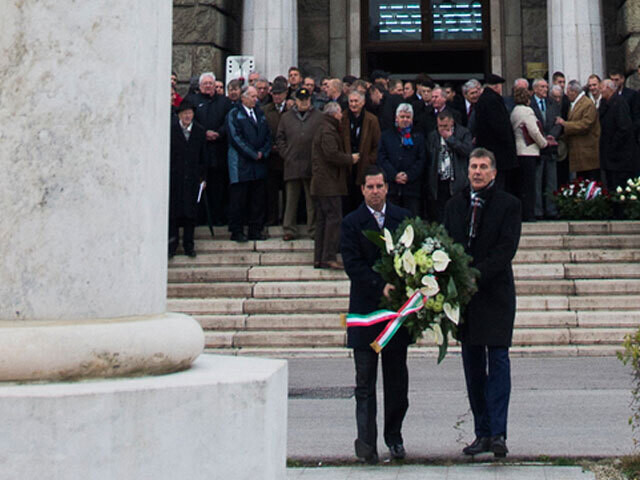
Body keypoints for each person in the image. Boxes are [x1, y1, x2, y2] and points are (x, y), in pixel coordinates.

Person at [443, 147, 522, 459]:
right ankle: (482, 432)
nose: (476, 172)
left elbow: (506, 249)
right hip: (466, 299)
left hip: (495, 293)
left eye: (482, 167)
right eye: (473, 166)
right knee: (473, 366)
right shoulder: (454, 205)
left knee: (498, 362)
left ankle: (499, 432)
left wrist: (474, 275)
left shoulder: (509, 205)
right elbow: (447, 243)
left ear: (493, 172)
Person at [340, 165, 413, 464]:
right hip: (366, 314)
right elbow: (352, 264)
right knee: (364, 384)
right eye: (369, 187)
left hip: (394, 316)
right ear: (362, 190)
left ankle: (394, 437)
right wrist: (378, 285)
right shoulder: (351, 222)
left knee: (397, 383)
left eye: (379, 186)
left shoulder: (402, 218)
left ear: (387, 187)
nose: (375, 191)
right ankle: (366, 443)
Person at [311, 102, 358, 269]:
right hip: (328, 183)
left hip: (323, 183)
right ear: (333, 114)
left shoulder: (324, 127)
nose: (342, 116)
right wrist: (349, 159)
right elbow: (331, 154)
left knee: (323, 220)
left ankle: (320, 258)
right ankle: (329, 257)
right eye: (339, 113)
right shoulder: (328, 130)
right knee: (333, 218)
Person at [184, 72, 233, 227]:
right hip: (199, 152)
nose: (208, 86)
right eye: (205, 83)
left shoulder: (224, 102)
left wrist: (219, 133)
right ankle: (199, 219)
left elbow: (229, 122)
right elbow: (188, 120)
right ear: (199, 86)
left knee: (218, 188)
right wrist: (203, 133)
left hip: (219, 151)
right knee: (199, 186)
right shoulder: (192, 101)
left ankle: (218, 217)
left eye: (210, 83)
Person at [277, 87, 324, 241]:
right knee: (291, 199)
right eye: (300, 99)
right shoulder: (286, 117)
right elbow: (280, 138)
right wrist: (286, 154)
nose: (303, 102)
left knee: (312, 200)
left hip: (312, 164)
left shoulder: (319, 117)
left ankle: (313, 229)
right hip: (292, 163)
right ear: (296, 100)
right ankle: (289, 229)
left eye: (306, 99)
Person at [226, 86, 272, 242]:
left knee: (257, 199)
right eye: (252, 96)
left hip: (258, 165)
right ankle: (237, 230)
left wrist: (263, 152)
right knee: (239, 199)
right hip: (241, 164)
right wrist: (252, 153)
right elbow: (235, 138)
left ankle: (255, 229)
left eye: (256, 96)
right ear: (243, 97)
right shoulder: (234, 114)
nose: (255, 99)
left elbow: (267, 135)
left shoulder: (260, 114)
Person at [168, 101, 207, 258]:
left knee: (191, 214)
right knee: (173, 213)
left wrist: (203, 178)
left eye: (189, 113)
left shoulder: (199, 131)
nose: (187, 116)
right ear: (179, 115)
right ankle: (172, 245)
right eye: (184, 113)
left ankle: (189, 245)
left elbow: (203, 157)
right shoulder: (172, 129)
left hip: (192, 178)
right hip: (175, 178)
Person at [377, 103, 426, 216]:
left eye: (408, 117)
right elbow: (382, 158)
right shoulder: (386, 136)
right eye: (402, 117)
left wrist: (408, 175)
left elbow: (421, 160)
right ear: (396, 118)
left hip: (412, 188)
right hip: (392, 187)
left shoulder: (418, 137)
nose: (405, 120)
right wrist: (394, 175)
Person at [424, 110, 473, 222]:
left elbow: (467, 151)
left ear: (452, 122)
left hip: (457, 181)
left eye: (445, 126)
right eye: (440, 126)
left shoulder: (463, 133)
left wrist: (451, 139)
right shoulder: (433, 136)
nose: (442, 129)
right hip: (439, 181)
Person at [510, 87, 549, 222]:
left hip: (518, 150)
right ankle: (529, 214)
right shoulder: (527, 111)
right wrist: (544, 143)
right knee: (530, 186)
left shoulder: (514, 111)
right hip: (528, 151)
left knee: (521, 185)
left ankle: (523, 213)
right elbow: (534, 131)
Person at [474, 74, 518, 192]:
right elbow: (501, 127)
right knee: (498, 184)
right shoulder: (494, 101)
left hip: (487, 149)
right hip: (498, 152)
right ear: (496, 87)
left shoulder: (482, 100)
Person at [341, 89, 382, 214]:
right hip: (346, 166)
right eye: (351, 101)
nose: (353, 104)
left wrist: (369, 160)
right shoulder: (343, 118)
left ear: (363, 102)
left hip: (364, 165)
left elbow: (377, 144)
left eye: (356, 101)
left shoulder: (372, 120)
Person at [599, 79, 640, 191]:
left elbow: (624, 128)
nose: (599, 90)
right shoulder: (604, 103)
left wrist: (612, 146)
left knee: (618, 187)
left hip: (619, 157)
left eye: (601, 87)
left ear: (609, 89)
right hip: (609, 158)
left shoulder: (619, 103)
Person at [530, 78, 562, 219]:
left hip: (551, 148)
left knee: (551, 180)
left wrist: (551, 136)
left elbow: (558, 123)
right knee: (536, 181)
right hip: (536, 147)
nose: (545, 89)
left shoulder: (552, 103)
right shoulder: (529, 104)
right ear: (535, 89)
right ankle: (538, 211)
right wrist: (542, 138)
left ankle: (551, 209)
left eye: (546, 87)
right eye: (542, 87)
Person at [555, 80, 601, 179]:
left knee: (590, 180)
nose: (566, 95)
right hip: (578, 152)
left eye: (568, 92)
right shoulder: (574, 104)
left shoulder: (587, 104)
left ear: (574, 92)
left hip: (587, 152)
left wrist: (565, 124)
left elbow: (585, 124)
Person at [262, 78, 290, 226]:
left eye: (280, 94)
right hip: (271, 157)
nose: (277, 97)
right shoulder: (265, 110)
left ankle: (286, 219)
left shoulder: (291, 109)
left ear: (285, 94)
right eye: (274, 94)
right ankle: (272, 218)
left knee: (288, 191)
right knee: (271, 190)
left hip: (287, 157)